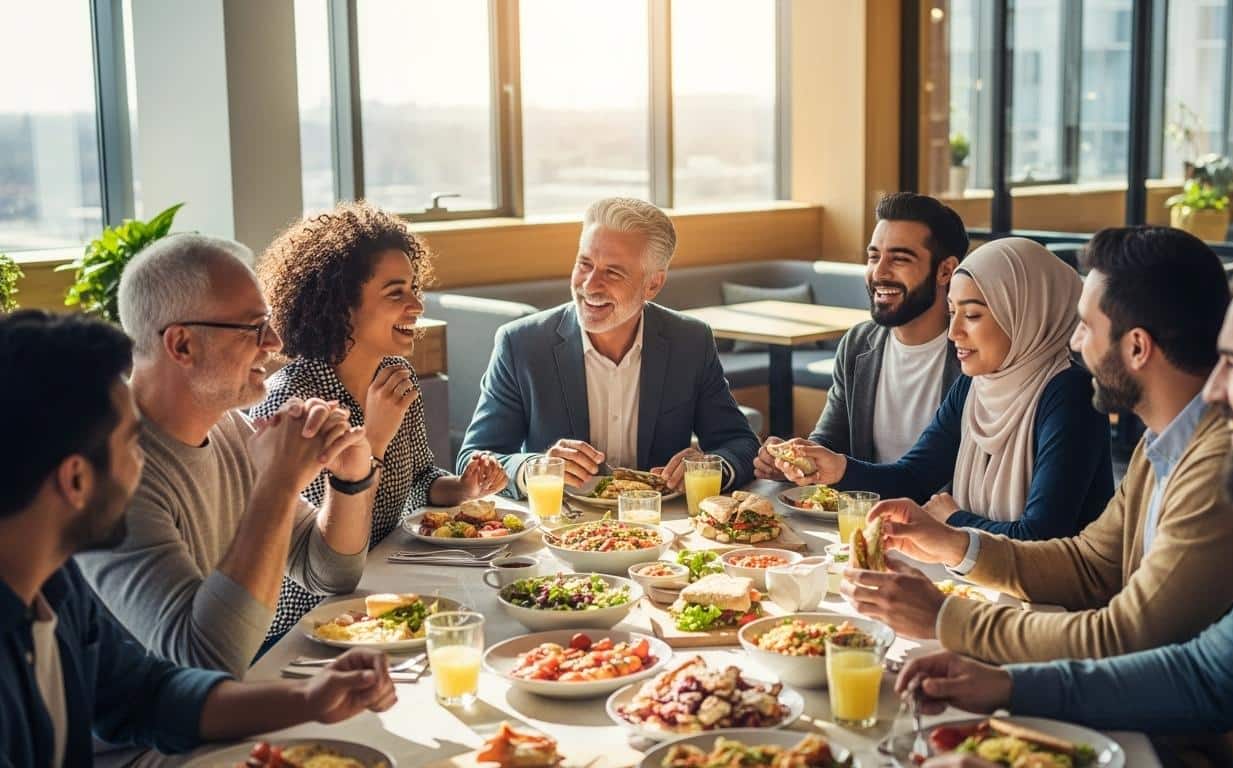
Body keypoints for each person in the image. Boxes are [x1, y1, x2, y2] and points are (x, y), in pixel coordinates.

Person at [897, 245, 1233, 768]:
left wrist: (954, 622)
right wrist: (1006, 686)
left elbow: (1134, 637)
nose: (1213, 389)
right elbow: (1205, 675)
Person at [842, 226, 1233, 656]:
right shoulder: (1159, 447)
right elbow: (1091, 562)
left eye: (1086, 327)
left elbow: (1125, 634)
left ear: (1136, 347)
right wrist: (952, 543)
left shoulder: (1217, 463)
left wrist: (947, 618)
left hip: (1160, 722)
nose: (1072, 340)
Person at [0, 310, 396, 767]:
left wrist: (308, 698)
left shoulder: (56, 586)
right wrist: (280, 480)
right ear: (76, 480)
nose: (141, 464)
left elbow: (147, 694)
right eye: (132, 444)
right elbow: (205, 658)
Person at [76, 233, 376, 676]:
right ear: (181, 345)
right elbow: (206, 659)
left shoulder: (228, 426)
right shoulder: (112, 474)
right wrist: (278, 481)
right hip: (152, 743)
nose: (274, 342)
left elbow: (330, 574)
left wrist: (349, 479)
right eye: (254, 327)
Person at [255, 203, 507, 641]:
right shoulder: (293, 403)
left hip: (387, 599)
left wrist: (462, 489)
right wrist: (372, 438)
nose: (416, 305)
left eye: (414, 288)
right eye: (396, 293)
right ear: (341, 307)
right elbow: (327, 558)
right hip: (313, 624)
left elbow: (419, 478)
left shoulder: (397, 375)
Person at [780, 237, 1112, 540]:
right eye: (952, 312)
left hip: (1053, 600)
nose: (954, 332)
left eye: (972, 315)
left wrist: (952, 519)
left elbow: (1041, 534)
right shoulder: (974, 385)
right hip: (979, 576)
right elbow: (915, 476)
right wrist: (838, 467)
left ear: (1025, 313)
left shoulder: (1071, 396)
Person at [460, 196, 761, 495]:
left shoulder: (691, 341)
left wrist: (709, 467)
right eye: (585, 264)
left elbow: (741, 445)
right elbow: (474, 461)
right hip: (561, 529)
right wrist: (538, 468)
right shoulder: (521, 343)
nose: (590, 285)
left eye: (613, 272)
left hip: (663, 528)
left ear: (653, 285)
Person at [753, 193, 966, 479]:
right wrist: (796, 461)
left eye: (899, 259)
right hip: (859, 518)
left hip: (940, 519)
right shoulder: (858, 344)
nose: (879, 272)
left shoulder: (972, 351)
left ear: (945, 271)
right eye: (874, 256)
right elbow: (830, 439)